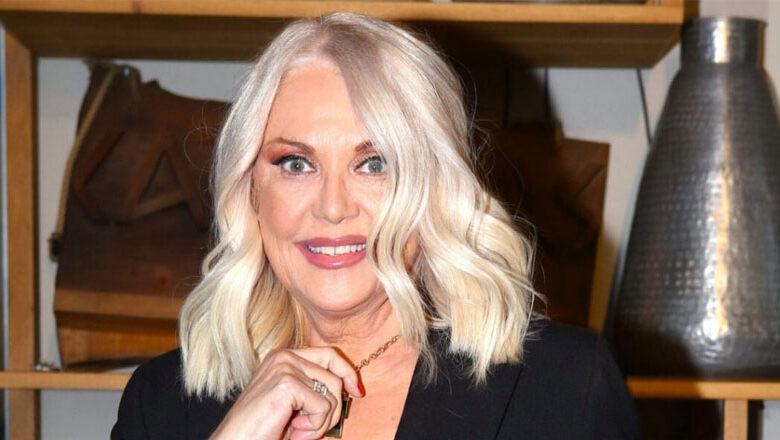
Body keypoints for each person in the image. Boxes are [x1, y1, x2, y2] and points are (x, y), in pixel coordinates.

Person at [111, 12, 639, 440]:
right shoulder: (160, 404)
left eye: (374, 163)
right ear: (250, 191)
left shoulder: (567, 386)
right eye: (296, 163)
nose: (333, 207)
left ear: (435, 187)